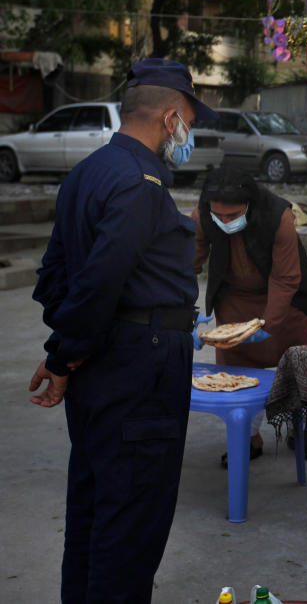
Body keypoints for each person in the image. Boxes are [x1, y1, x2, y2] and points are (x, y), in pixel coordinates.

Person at [29, 58, 217, 603]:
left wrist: (66, 350)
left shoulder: (88, 173)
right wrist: (67, 355)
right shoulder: (141, 183)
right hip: (139, 367)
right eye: (190, 120)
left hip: (104, 365)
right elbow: (98, 283)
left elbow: (54, 279)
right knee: (131, 521)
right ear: (172, 117)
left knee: (92, 508)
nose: (189, 131)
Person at [192, 167, 307, 464]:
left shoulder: (279, 216)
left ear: (248, 205)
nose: (224, 222)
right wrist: (184, 314)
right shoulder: (202, 215)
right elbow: (188, 264)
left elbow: (285, 278)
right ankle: (247, 436)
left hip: (286, 299)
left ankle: (300, 428)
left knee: (297, 362)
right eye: (219, 216)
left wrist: (268, 322)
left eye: (232, 215)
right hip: (234, 298)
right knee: (235, 370)